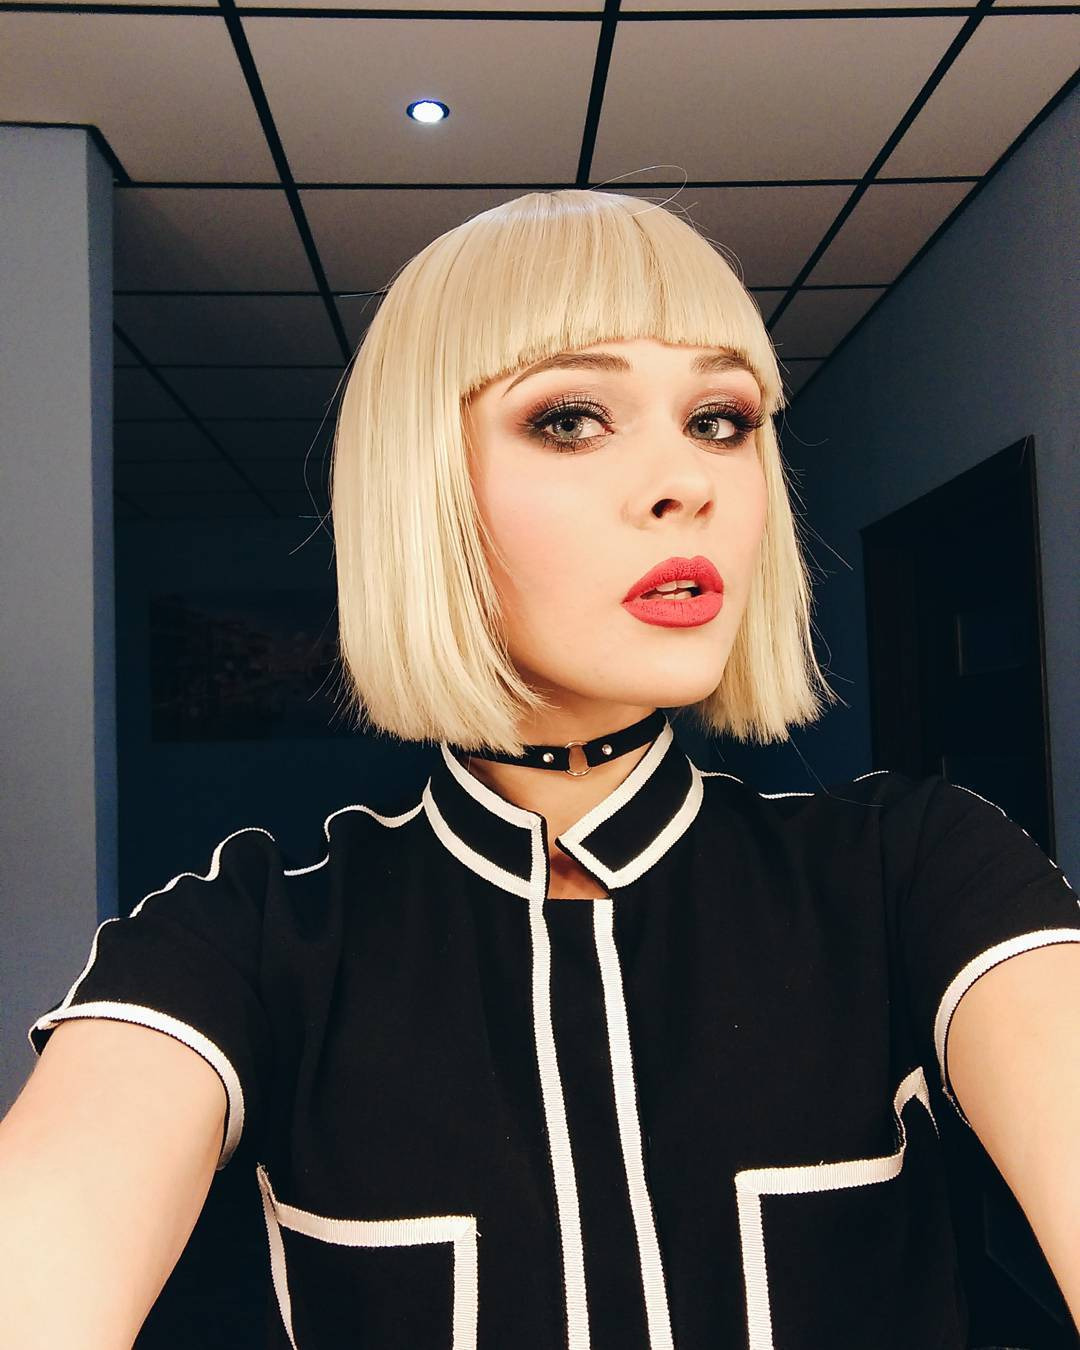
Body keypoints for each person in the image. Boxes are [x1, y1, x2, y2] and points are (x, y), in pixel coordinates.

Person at [1, 189, 1078, 1349]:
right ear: (424, 489)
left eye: (719, 419)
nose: (688, 482)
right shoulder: (241, 938)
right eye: (570, 418)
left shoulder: (916, 867)